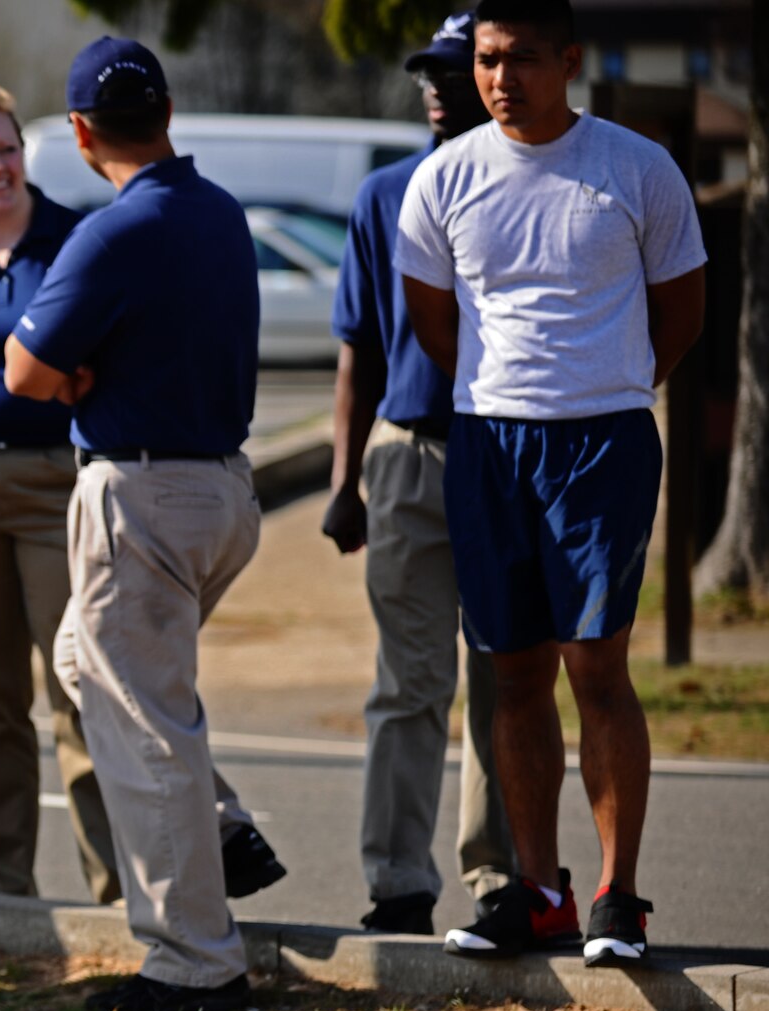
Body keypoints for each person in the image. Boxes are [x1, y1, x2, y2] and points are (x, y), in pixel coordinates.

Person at [0, 80, 283, 905]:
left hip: (59, 481)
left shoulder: (80, 237)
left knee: (88, 688)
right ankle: (1, 891)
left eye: (7, 147)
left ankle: (119, 886)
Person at [394, 0, 705, 966]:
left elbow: (681, 314)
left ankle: (618, 897)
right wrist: (513, 400)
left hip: (602, 442)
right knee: (513, 671)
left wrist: (601, 388)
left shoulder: (636, 168)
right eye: (487, 61)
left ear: (568, 60)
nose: (500, 79)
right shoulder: (442, 179)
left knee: (596, 668)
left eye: (523, 59)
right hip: (491, 444)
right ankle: (538, 892)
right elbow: (436, 324)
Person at [5, 37, 264, 1011]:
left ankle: (194, 965)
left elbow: (23, 373)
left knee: (142, 723)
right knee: (84, 665)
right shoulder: (219, 210)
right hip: (223, 493)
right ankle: (221, 828)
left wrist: (77, 371)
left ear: (78, 132)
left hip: (141, 494)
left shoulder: (114, 230)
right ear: (164, 111)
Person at [323, 11, 517, 938]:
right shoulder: (383, 193)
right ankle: (398, 877)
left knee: (501, 673)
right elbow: (357, 346)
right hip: (405, 454)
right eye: (427, 73)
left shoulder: (527, 186)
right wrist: (342, 478)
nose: (436, 87)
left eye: (454, 69)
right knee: (409, 680)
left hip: (506, 455)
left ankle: (501, 876)